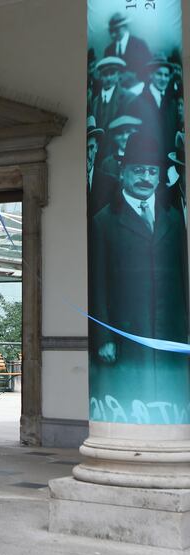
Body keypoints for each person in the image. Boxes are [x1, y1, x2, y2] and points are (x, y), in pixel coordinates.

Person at [90, 131, 188, 408]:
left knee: (171, 398)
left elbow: (183, 278)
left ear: (159, 176)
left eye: (151, 171)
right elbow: (98, 285)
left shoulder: (173, 218)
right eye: (138, 170)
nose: (146, 177)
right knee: (134, 397)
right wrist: (104, 338)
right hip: (126, 335)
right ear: (123, 172)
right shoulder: (104, 221)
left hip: (170, 332)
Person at [103, 12, 151, 87]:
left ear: (125, 27)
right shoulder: (108, 50)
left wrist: (134, 77)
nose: (113, 35)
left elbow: (149, 69)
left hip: (138, 89)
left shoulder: (140, 45)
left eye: (116, 30)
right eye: (111, 31)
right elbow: (105, 74)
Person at [90, 57, 132, 132]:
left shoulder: (128, 98)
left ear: (118, 75)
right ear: (100, 77)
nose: (109, 78)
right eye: (105, 74)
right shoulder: (95, 102)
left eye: (112, 73)